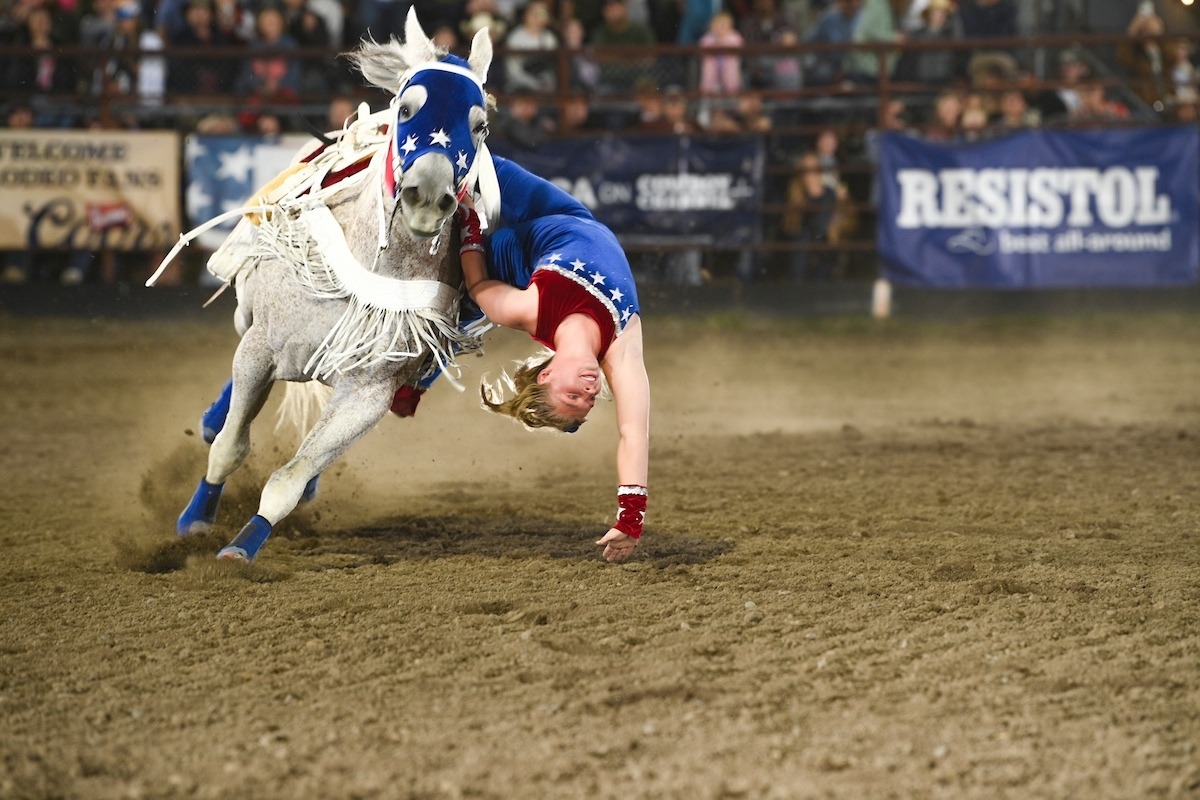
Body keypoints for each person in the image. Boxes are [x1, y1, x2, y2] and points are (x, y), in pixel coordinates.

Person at [454, 155, 650, 563]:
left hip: (514, 254)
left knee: (465, 168)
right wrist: (631, 519)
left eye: (573, 397)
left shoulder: (526, 309)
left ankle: (416, 377)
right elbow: (633, 432)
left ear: (546, 375)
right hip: (567, 215)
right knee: (479, 163)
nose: (589, 393)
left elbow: (478, 284)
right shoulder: (621, 345)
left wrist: (470, 229)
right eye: (589, 402)